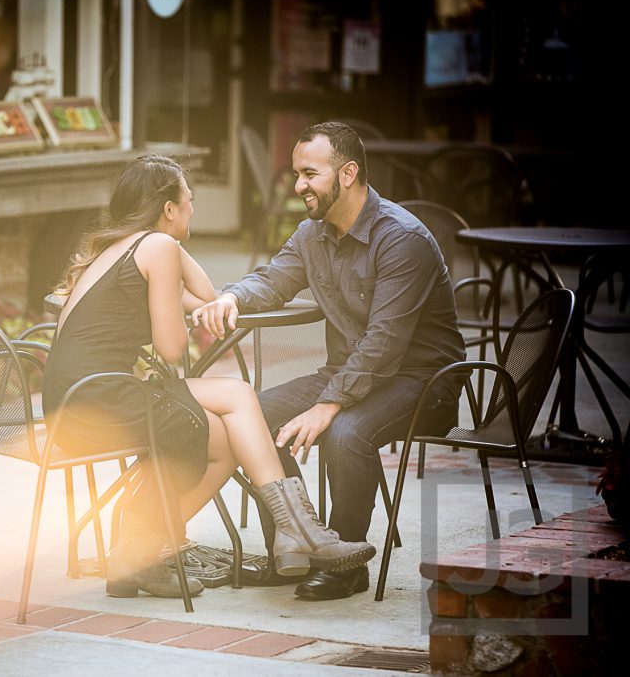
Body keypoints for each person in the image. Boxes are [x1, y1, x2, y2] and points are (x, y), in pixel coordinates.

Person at [42, 154, 374, 600]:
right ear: (168, 208)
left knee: (222, 440)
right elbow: (174, 348)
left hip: (73, 402)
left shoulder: (126, 247)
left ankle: (137, 554)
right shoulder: (154, 248)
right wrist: (171, 250)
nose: (194, 209)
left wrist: (176, 248)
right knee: (238, 397)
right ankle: (297, 531)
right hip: (101, 399)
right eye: (189, 201)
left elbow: (205, 296)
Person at [194, 122, 467, 600]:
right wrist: (232, 297)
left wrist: (328, 405)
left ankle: (346, 559)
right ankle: (294, 546)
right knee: (252, 418)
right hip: (350, 373)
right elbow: (272, 280)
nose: (298, 186)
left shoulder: (402, 239)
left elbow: (385, 343)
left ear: (347, 173)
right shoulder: (311, 234)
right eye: (297, 174)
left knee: (345, 432)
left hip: (425, 380)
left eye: (309, 174)